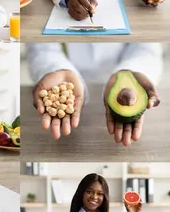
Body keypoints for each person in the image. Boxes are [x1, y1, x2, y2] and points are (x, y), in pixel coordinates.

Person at [28, 43, 161, 146]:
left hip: (118, 73)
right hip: (67, 77)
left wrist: (132, 70)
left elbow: (147, 47)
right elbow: (42, 48)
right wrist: (56, 68)